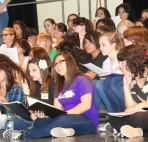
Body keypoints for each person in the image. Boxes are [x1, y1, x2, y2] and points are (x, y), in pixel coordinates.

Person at [3, 51, 98, 140]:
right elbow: (57, 110)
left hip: (87, 121)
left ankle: (24, 135)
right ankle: (67, 132)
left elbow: (86, 105)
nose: (57, 66)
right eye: (55, 64)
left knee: (63, 119)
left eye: (60, 62)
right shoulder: (59, 85)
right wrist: (45, 116)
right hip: (70, 121)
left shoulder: (81, 80)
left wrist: (66, 114)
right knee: (40, 122)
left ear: (69, 61)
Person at [106, 44, 148, 138]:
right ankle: (137, 131)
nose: (119, 66)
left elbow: (133, 108)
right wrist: (126, 85)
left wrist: (134, 108)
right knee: (112, 118)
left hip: (142, 115)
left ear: (132, 61)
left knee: (138, 117)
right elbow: (129, 106)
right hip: (139, 114)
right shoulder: (132, 78)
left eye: (122, 62)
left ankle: (122, 129)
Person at [93, 32, 125, 112]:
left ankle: (117, 112)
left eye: (103, 45)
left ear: (113, 45)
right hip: (109, 86)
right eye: (100, 45)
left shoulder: (123, 58)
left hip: (122, 87)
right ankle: (99, 113)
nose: (100, 48)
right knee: (94, 82)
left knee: (102, 83)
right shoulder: (105, 62)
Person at [0, 54, 27, 129]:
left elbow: (17, 115)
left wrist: (5, 101)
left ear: (6, 70)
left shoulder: (16, 89)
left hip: (14, 123)